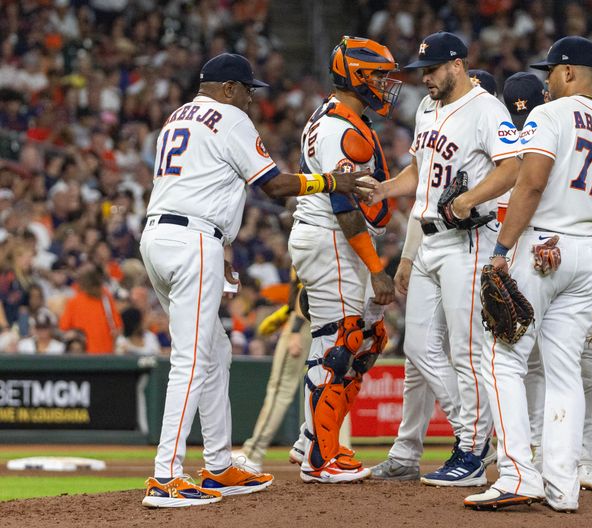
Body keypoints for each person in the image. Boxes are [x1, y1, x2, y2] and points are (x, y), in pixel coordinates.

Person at [139, 52, 372, 507]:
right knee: (192, 359)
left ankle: (220, 464)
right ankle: (165, 475)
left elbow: (196, 182)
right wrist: (331, 182)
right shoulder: (229, 117)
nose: (250, 98)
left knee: (217, 351)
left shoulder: (176, 117)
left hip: (160, 237)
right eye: (246, 89)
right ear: (227, 88)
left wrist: (221, 246)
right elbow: (274, 185)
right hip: (193, 242)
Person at [464, 36, 592, 512]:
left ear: (566, 73)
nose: (546, 81)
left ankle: (518, 473)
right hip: (588, 253)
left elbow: (532, 180)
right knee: (564, 374)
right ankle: (563, 487)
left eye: (550, 73)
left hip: (543, 244)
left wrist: (501, 249)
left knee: (500, 357)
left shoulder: (548, 115)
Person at [368, 31, 520, 487]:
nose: (425, 78)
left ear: (457, 64)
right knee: (416, 347)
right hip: (431, 237)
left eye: (432, 70)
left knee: (468, 350)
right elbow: (419, 170)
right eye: (422, 71)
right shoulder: (427, 108)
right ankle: (473, 436)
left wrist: (470, 199)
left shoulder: (488, 109)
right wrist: (384, 188)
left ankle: (471, 450)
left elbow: (512, 167)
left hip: (468, 241)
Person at [288, 36, 400, 483]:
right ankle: (321, 457)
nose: (384, 85)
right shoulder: (339, 127)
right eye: (376, 75)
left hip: (333, 240)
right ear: (355, 74)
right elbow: (343, 205)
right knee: (340, 341)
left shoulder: (337, 117)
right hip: (333, 237)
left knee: (370, 340)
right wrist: (377, 268)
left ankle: (310, 438)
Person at [232, 269, 311, 471]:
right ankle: (311, 448)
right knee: (320, 387)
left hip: (304, 323)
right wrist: (285, 313)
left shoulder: (307, 238)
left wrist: (294, 330)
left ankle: (253, 453)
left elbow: (306, 289)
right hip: (325, 322)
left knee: (280, 389)